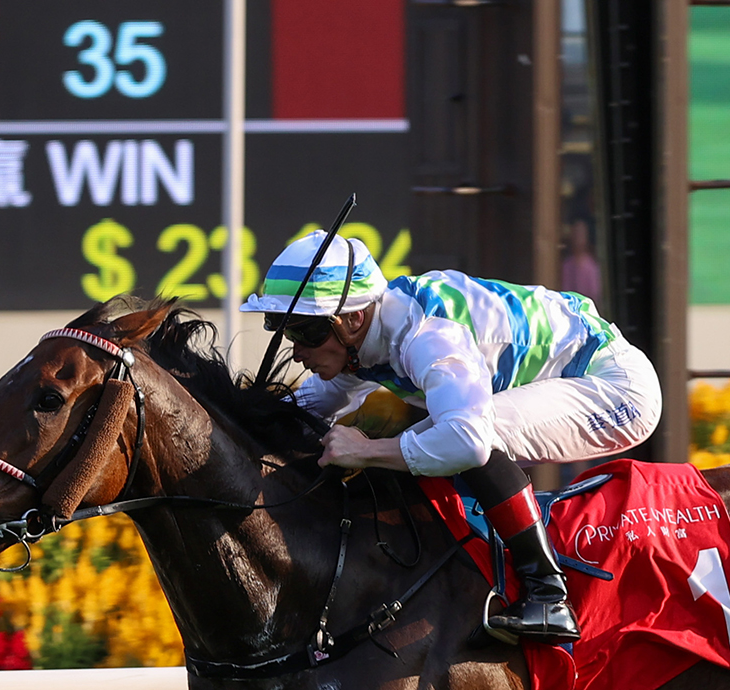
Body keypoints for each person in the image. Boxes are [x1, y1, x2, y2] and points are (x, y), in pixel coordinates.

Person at [241, 230, 662, 644]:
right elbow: (302, 408)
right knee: (403, 422)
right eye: (286, 331)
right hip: (574, 370)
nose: (297, 350)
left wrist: (368, 451)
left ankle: (548, 595)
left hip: (614, 385)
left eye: (306, 332)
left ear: (353, 318)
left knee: (467, 432)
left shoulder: (426, 335)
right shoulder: (363, 336)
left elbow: (469, 440)